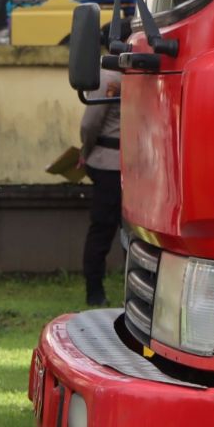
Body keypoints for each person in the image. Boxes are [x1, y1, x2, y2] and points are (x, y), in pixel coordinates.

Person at [80, 80, 122, 306]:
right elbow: (90, 123)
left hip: (115, 163)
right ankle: (94, 291)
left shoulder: (111, 73)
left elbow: (89, 124)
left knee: (105, 231)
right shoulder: (111, 75)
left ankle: (96, 292)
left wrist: (85, 151)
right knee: (106, 231)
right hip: (115, 164)